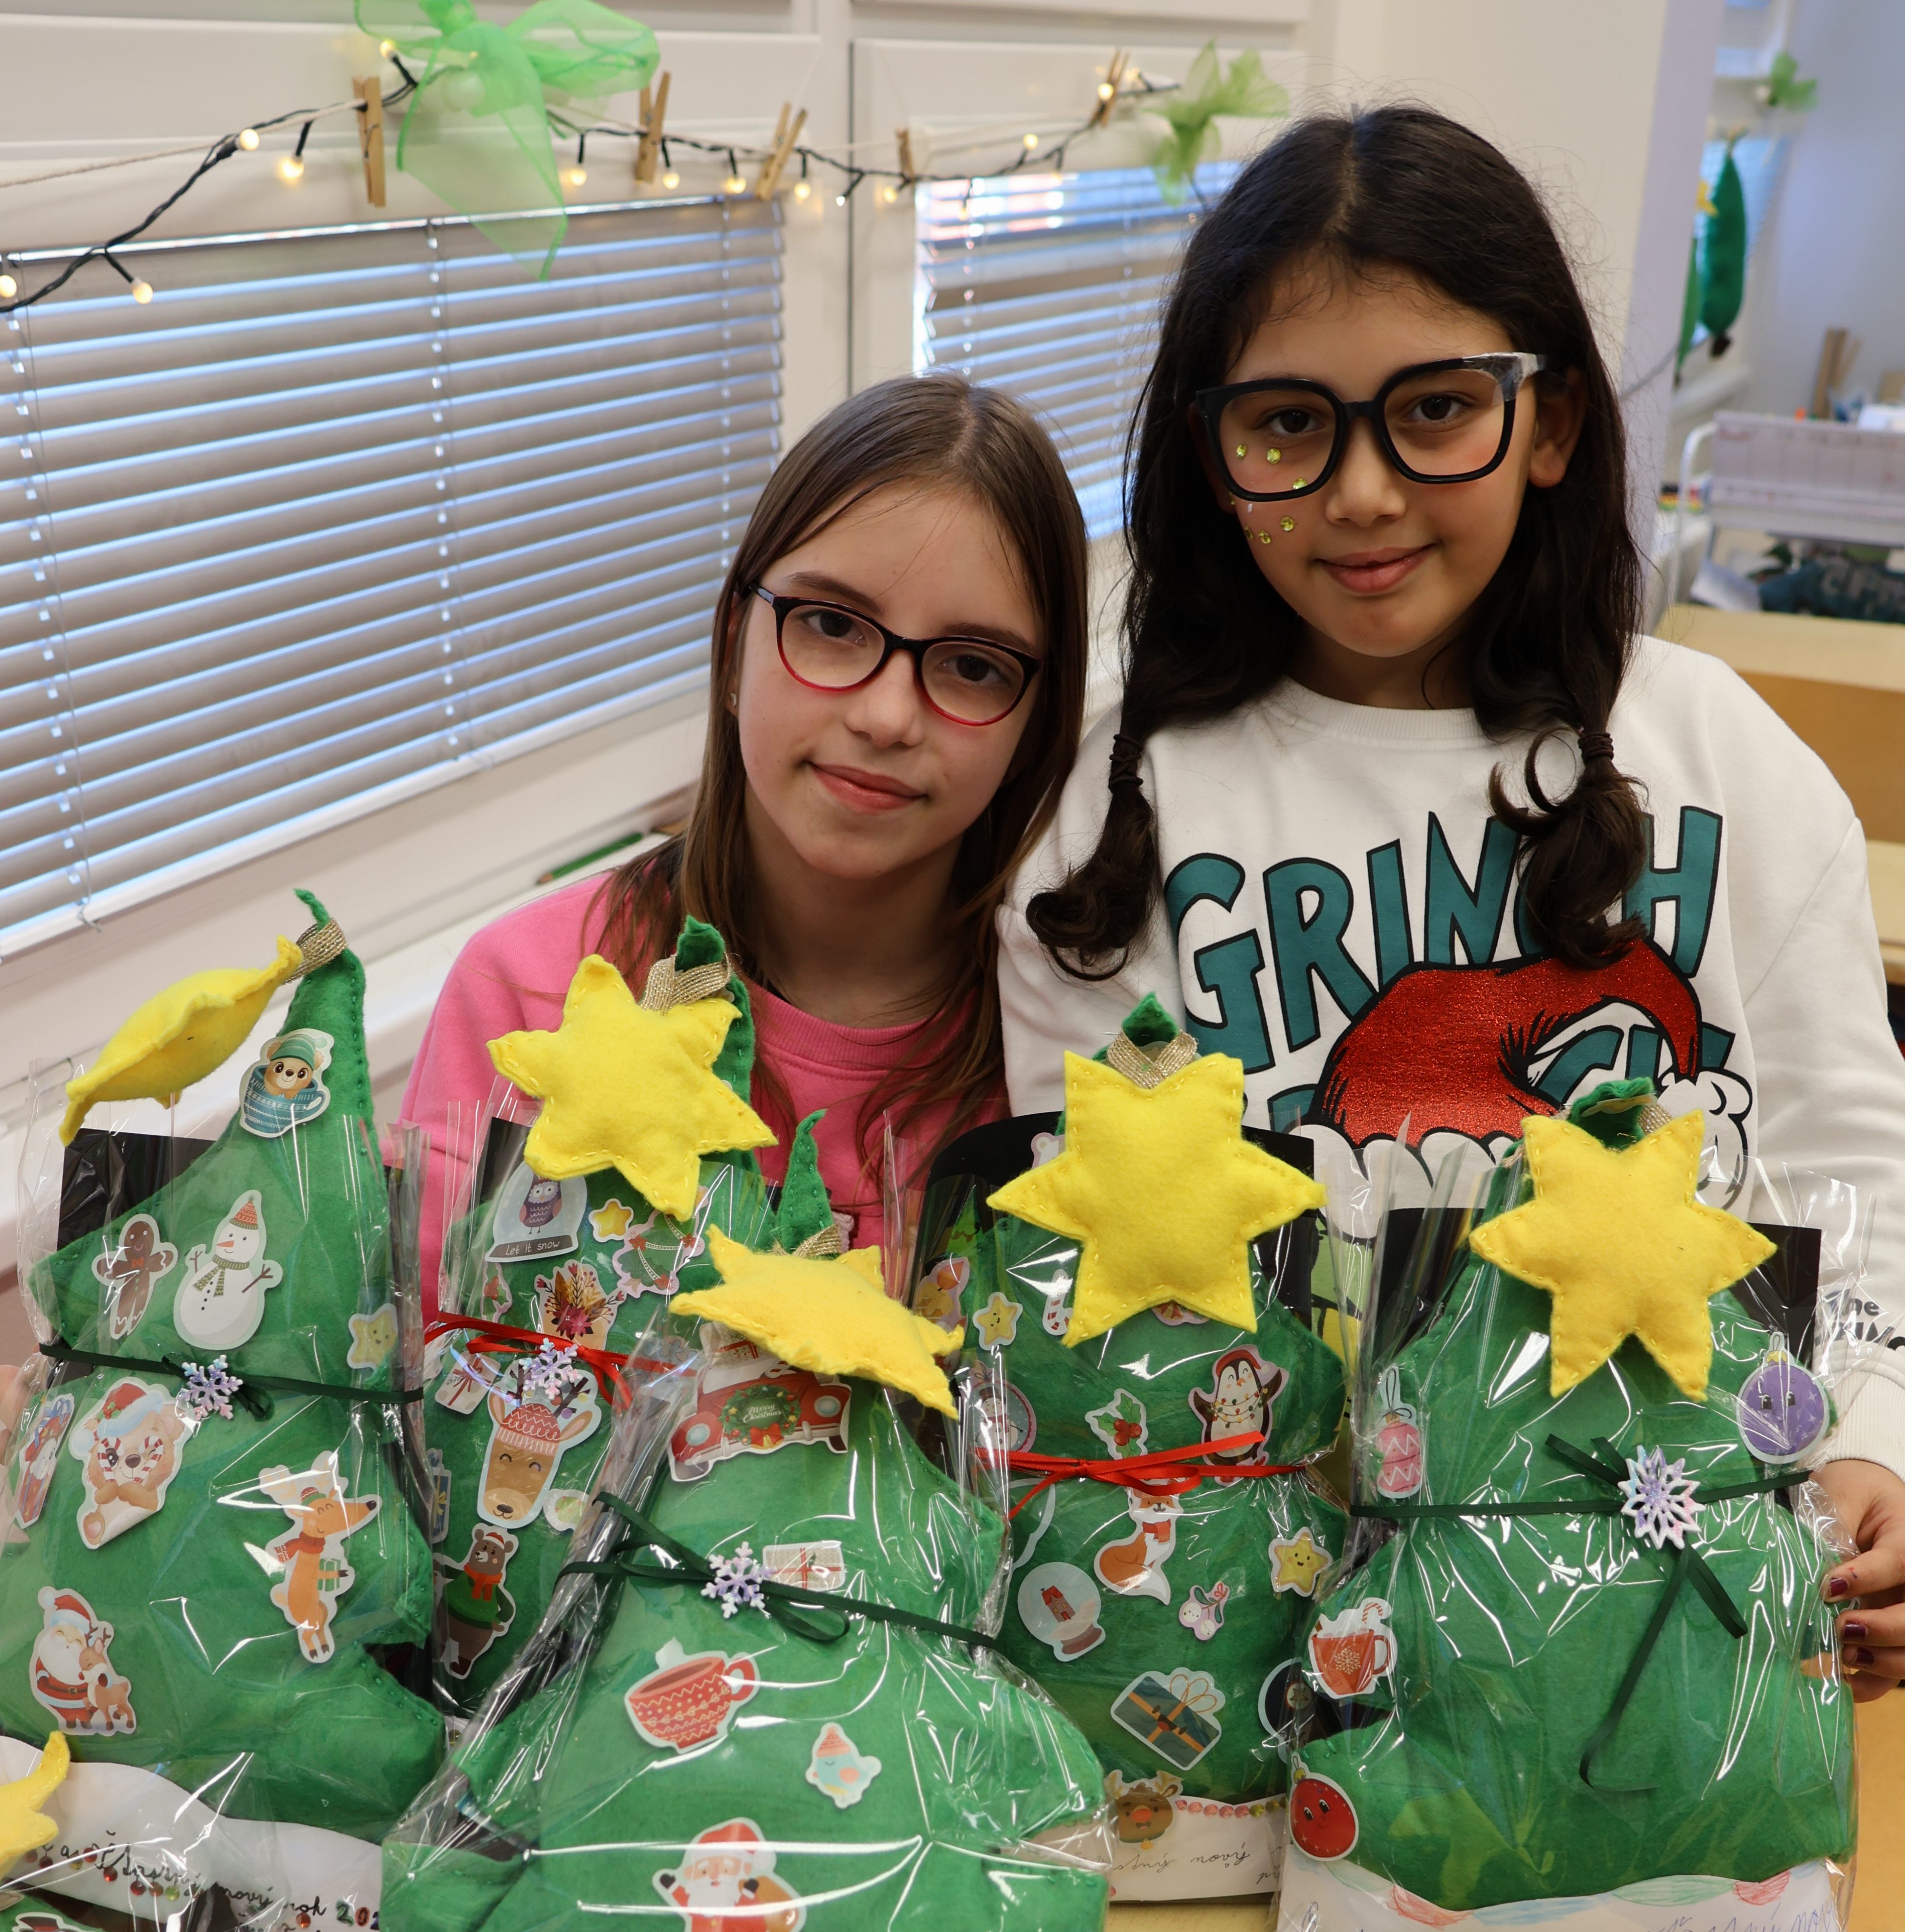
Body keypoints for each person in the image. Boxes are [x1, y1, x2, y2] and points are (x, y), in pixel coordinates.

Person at [998, 106, 1905, 1697]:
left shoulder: (1723, 758)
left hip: (1682, 1630)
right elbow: (1093, 1279)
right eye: (1288, 424)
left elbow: (1855, 1170)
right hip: (1265, 1641)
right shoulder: (1119, 813)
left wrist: (1879, 1442)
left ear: (1550, 424)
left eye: (1434, 410)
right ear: (1213, 457)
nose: (1361, 492)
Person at [403, 373, 1088, 1298]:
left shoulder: (1066, 1048)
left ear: (1034, 726)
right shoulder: (528, 993)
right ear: (733, 647)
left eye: (973, 666)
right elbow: (427, 1361)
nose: (887, 717)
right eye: (832, 625)